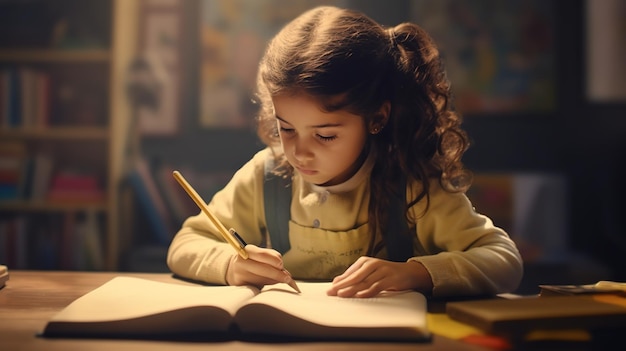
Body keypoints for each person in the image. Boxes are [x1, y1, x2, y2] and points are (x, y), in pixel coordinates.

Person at [167, 6, 523, 298]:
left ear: (377, 117)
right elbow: (185, 245)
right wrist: (231, 264)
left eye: (324, 136)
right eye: (286, 128)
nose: (299, 153)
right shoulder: (268, 174)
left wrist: (415, 273)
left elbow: (504, 260)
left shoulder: (412, 181)